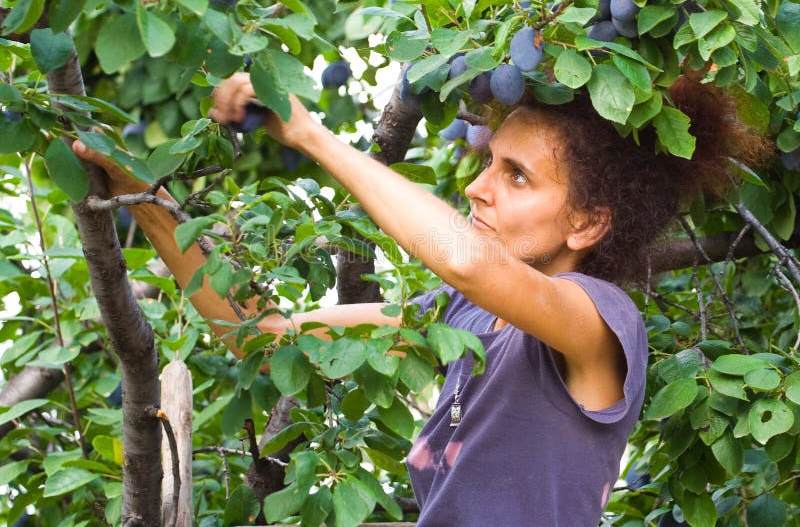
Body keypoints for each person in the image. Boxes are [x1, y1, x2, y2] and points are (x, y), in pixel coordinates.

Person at [73, 72, 768, 525]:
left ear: (587, 222)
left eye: (517, 177)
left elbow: (465, 260)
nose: (478, 187)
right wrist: (147, 198)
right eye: (489, 161)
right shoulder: (457, 319)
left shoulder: (599, 321)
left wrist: (311, 133)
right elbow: (259, 333)